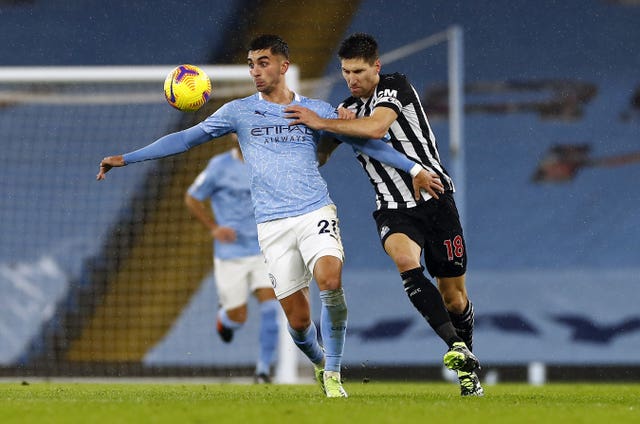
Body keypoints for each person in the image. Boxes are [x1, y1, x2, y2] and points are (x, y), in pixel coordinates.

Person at [96, 34, 445, 398]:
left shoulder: (318, 111)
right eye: (250, 64)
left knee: (329, 278)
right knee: (297, 322)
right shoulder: (238, 112)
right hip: (272, 225)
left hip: (314, 210)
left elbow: (370, 142)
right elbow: (185, 139)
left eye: (263, 62)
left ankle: (334, 374)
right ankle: (318, 360)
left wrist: (414, 169)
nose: (255, 71)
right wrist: (127, 158)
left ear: (283, 66)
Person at [285, 32, 483, 396]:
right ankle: (455, 347)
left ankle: (467, 361)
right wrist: (311, 134)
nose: (351, 79)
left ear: (376, 67)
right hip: (392, 209)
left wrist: (326, 122)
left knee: (454, 297)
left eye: (358, 71)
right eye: (345, 72)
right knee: (406, 261)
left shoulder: (395, 87)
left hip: (436, 199)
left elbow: (376, 127)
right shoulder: (345, 110)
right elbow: (320, 157)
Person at [185, 137, 279, 384]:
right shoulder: (219, 166)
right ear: (232, 137)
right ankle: (224, 320)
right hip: (231, 253)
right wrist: (214, 227)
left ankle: (263, 371)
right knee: (238, 318)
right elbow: (192, 198)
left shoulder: (269, 162)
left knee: (271, 308)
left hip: (263, 249)